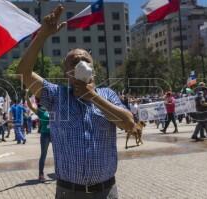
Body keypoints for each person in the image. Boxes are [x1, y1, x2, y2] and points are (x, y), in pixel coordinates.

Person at [17, 5, 135, 199]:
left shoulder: (107, 95)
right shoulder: (56, 96)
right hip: (68, 192)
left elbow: (129, 124)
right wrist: (43, 35)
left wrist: (93, 97)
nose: (80, 63)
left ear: (93, 68)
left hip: (105, 192)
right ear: (67, 73)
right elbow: (23, 73)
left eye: (85, 59)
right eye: (73, 61)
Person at [26, 92, 50, 183]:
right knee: (43, 154)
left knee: (58, 154)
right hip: (45, 134)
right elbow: (29, 105)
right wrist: (27, 94)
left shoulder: (53, 108)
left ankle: (60, 174)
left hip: (55, 134)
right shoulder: (40, 110)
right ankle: (41, 174)